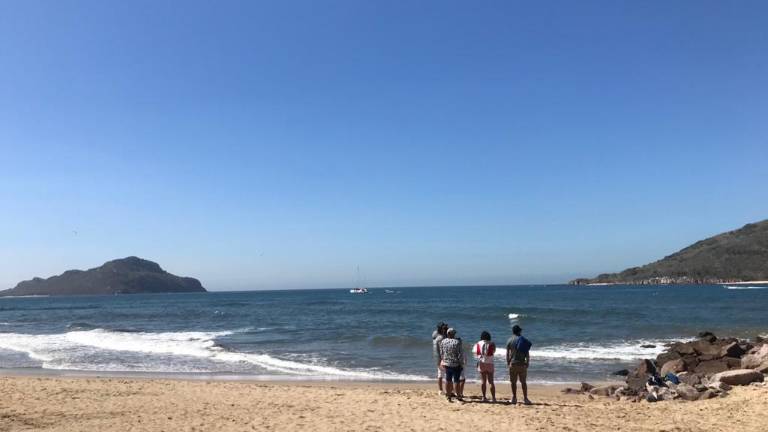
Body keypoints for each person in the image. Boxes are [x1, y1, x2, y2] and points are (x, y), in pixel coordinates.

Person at [506, 324, 532, 405]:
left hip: (513, 364)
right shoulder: (523, 340)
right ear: (519, 331)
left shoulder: (509, 340)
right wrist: (527, 362)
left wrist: (508, 362)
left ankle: (514, 398)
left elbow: (507, 353)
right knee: (523, 382)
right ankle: (525, 399)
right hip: (522, 364)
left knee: (513, 382)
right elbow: (527, 353)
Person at [439, 327, 464, 402]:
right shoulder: (457, 342)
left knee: (448, 380)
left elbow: (441, 353)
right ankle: (458, 396)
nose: (454, 334)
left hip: (447, 363)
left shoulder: (443, 341)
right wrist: (461, 364)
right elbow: (460, 355)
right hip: (456, 364)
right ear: (451, 334)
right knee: (456, 381)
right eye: (453, 333)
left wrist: (443, 360)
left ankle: (448, 396)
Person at [474, 331, 497, 402]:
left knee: (483, 381)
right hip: (490, 363)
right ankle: (493, 398)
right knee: (491, 381)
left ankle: (484, 397)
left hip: (481, 363)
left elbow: (476, 353)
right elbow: (494, 352)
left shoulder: (478, 343)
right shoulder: (492, 343)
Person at [432, 322, 448, 394]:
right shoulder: (441, 338)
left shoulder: (435, 334)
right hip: (441, 357)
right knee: (446, 374)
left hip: (436, 356)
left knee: (440, 374)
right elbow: (443, 349)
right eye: (444, 328)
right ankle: (445, 390)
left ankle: (440, 390)